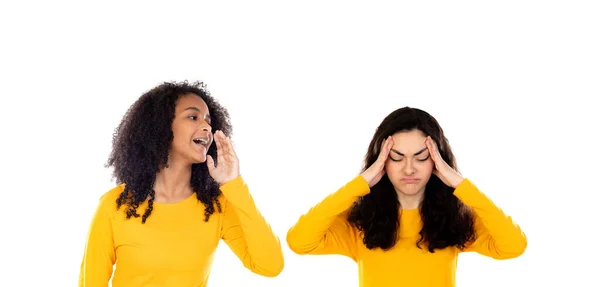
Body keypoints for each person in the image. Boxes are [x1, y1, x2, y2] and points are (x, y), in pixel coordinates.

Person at [286, 107, 527, 287]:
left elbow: (513, 246)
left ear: (437, 160)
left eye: (421, 157)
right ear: (381, 162)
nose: (409, 169)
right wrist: (360, 183)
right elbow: (299, 241)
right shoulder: (360, 223)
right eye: (396, 157)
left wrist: (459, 183)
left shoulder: (455, 221)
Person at [79, 81, 284, 287]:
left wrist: (233, 183)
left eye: (208, 120)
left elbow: (270, 265)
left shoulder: (215, 206)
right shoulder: (114, 205)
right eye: (193, 117)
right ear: (162, 126)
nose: (206, 127)